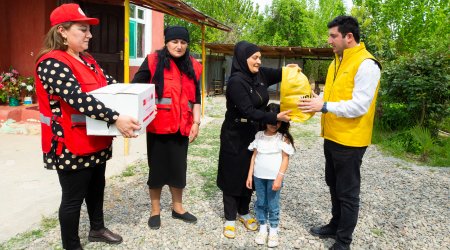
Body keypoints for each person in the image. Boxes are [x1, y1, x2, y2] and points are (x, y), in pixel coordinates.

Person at [35, 3, 141, 250]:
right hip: (70, 142)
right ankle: (71, 245)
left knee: (97, 186)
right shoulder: (51, 63)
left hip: (94, 138)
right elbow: (77, 99)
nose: (90, 35)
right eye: (83, 29)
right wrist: (116, 118)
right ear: (62, 31)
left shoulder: (88, 60)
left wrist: (136, 100)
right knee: (73, 199)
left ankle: (97, 228)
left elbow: (109, 86)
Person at [298, 16, 381, 250]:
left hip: (351, 140)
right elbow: (336, 97)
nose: (329, 40)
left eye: (333, 36)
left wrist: (324, 106)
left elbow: (359, 106)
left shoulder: (367, 64)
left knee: (348, 192)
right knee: (333, 184)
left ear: (349, 37)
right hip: (332, 135)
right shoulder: (336, 61)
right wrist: (320, 100)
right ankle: (335, 224)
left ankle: (344, 241)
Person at [216, 41, 292, 239]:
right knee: (233, 174)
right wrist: (276, 118)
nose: (259, 61)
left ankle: (243, 211)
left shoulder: (260, 74)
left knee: (252, 172)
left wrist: (289, 70)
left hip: (254, 131)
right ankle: (230, 218)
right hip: (235, 132)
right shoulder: (235, 82)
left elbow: (280, 74)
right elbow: (248, 110)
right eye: (255, 58)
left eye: (260, 57)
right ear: (243, 58)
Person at [131, 26, 202, 230]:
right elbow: (137, 87)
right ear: (166, 42)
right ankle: (155, 211)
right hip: (158, 126)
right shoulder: (153, 61)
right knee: (157, 170)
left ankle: (177, 208)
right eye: (174, 42)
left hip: (183, 127)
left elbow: (195, 98)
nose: (179, 46)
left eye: (183, 42)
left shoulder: (194, 66)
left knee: (179, 169)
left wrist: (196, 123)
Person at [246, 103, 295, 247]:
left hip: (274, 178)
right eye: (271, 121)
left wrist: (279, 178)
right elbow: (254, 156)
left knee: (273, 204)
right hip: (258, 177)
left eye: (277, 122)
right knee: (261, 202)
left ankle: (273, 230)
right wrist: (250, 175)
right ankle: (262, 228)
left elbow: (285, 159)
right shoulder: (259, 136)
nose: (274, 125)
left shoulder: (283, 138)